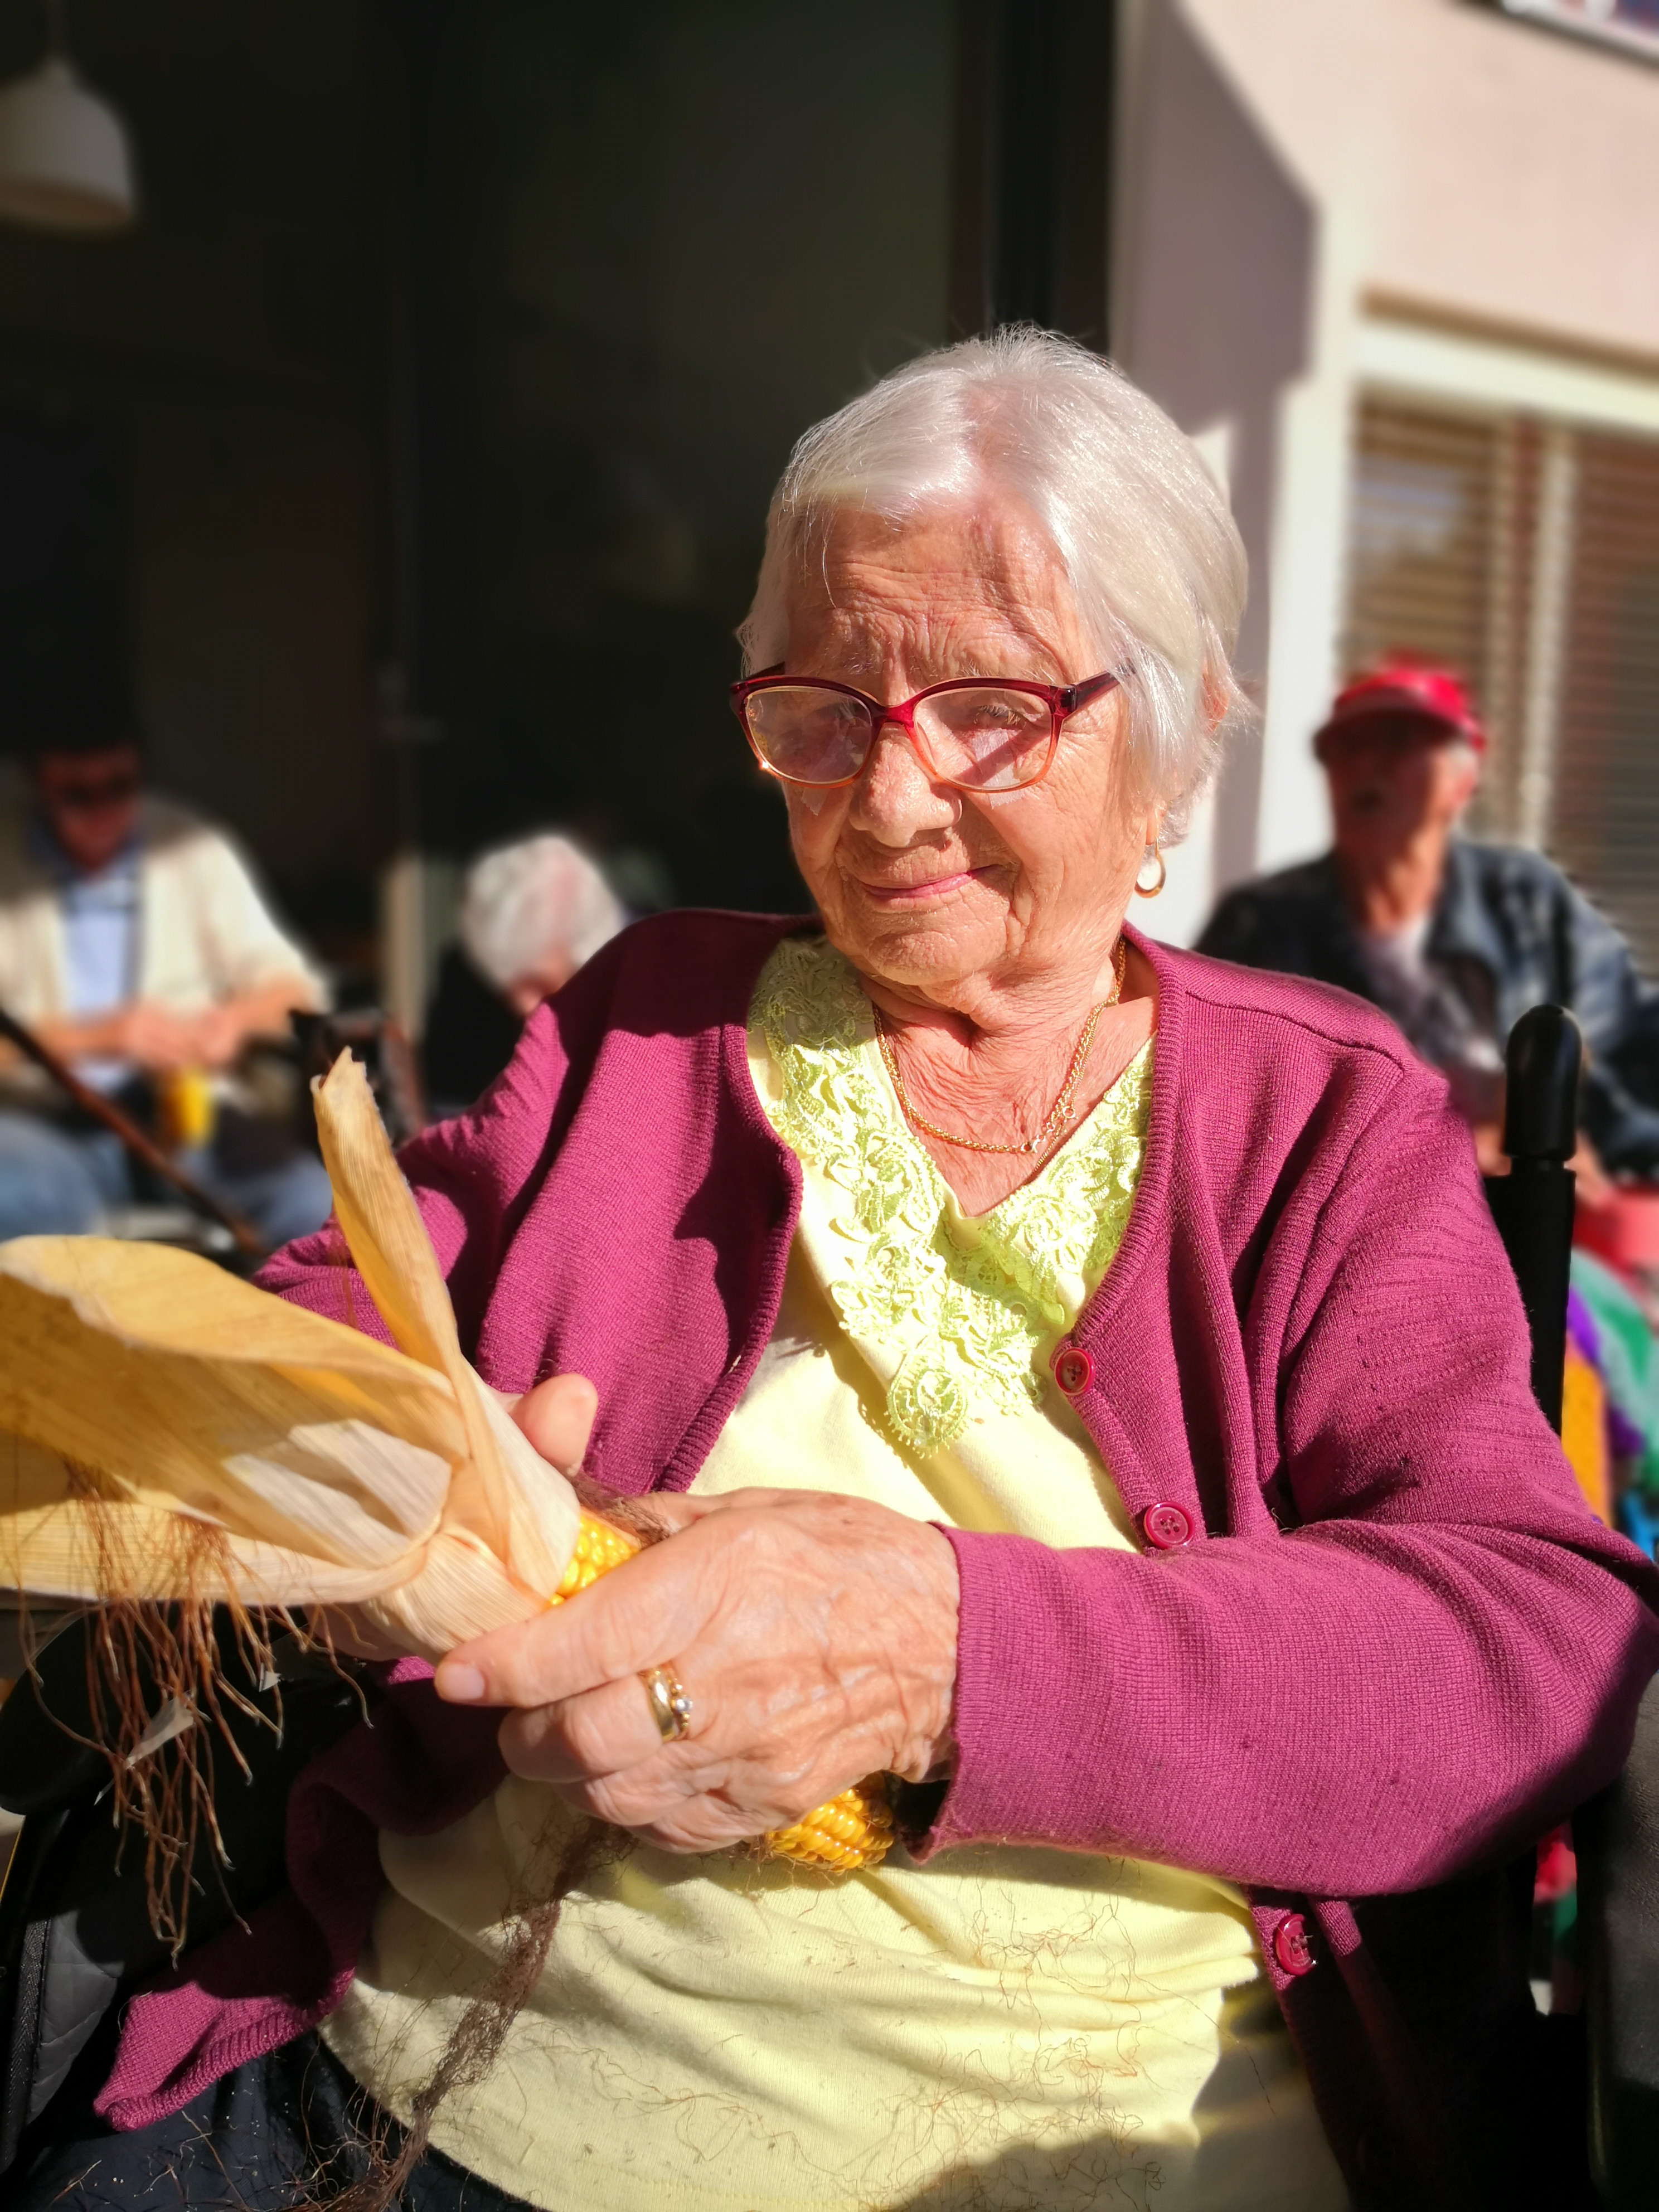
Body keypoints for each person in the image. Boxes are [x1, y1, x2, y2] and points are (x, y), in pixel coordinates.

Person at [24, 333, 1659, 2212]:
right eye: (817, 706)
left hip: (1057, 2141)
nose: (882, 805)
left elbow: (1528, 1651)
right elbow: (327, 1295)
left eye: (986, 707)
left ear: (1171, 735)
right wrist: (398, 1475)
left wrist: (941, 1650)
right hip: (438, 2065)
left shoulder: (1322, 1118)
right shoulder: (645, 1016)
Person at [1196, 662, 1659, 1177]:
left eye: (1399, 743)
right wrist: (1464, 1152)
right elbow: (1226, 1108)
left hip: (1558, 1201)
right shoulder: (1262, 924)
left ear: (1462, 781)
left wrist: (1595, 1155)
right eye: (1348, 747)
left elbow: (1628, 1040)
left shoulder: (1525, 900)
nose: (1368, 765)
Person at [0, 675, 333, 1251]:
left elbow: (296, 990)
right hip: (46, 1119)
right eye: (78, 795)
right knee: (23, 1201)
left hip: (187, 1113)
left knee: (314, 1205)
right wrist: (98, 1037)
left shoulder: (189, 844)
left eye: (121, 785)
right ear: (37, 786)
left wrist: (234, 1022)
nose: (104, 809)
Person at [423, 833, 625, 1113]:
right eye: (503, 986)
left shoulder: (635, 984)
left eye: (539, 984)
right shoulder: (465, 978)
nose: (523, 1005)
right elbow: (445, 1102)